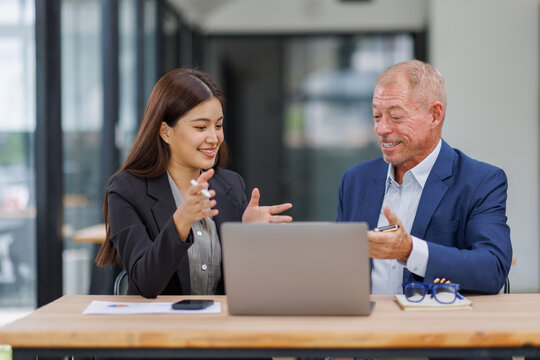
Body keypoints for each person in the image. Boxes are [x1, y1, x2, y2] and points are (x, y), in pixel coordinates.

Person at [95, 68, 293, 298]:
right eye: (201, 127)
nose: (214, 137)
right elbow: (146, 283)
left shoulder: (230, 185)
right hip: (157, 329)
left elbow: (243, 289)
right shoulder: (126, 189)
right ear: (165, 132)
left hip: (220, 328)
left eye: (218, 126)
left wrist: (247, 238)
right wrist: (182, 219)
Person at [337, 60, 512, 295]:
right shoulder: (355, 180)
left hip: (435, 327)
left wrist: (410, 251)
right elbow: (339, 263)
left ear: (434, 115)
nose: (382, 129)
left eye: (396, 117)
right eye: (377, 116)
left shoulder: (480, 181)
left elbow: (492, 269)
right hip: (364, 325)